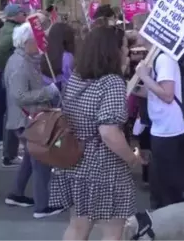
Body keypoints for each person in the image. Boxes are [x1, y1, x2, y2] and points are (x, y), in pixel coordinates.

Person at [50, 26, 142, 241]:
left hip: (75, 160)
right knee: (112, 230)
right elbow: (109, 131)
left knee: (78, 226)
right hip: (104, 167)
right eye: (124, 47)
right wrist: (131, 158)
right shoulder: (112, 82)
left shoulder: (76, 77)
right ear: (112, 51)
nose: (127, 52)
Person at [134, 33, 184, 209]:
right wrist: (135, 88)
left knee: (171, 175)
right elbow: (157, 92)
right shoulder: (155, 59)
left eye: (138, 28)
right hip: (163, 125)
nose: (134, 32)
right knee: (164, 174)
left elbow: (168, 95)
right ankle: (172, 205)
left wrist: (144, 77)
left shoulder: (163, 59)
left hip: (170, 128)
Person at [3, 22, 63, 218]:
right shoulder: (20, 64)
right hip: (27, 118)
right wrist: (49, 91)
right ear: (27, 42)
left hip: (27, 117)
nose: (40, 44)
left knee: (31, 159)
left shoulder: (22, 59)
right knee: (41, 159)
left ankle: (16, 193)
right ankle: (42, 206)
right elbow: (20, 95)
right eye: (37, 41)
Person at [0, 4, 27, 159]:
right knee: (8, 111)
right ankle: (1, 141)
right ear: (14, 15)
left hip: (3, 73)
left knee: (2, 109)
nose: (24, 15)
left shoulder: (4, 28)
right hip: (6, 74)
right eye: (22, 13)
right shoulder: (12, 31)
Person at [40, 22, 75, 91]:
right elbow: (69, 81)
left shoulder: (43, 52)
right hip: (60, 94)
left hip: (45, 92)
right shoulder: (67, 57)